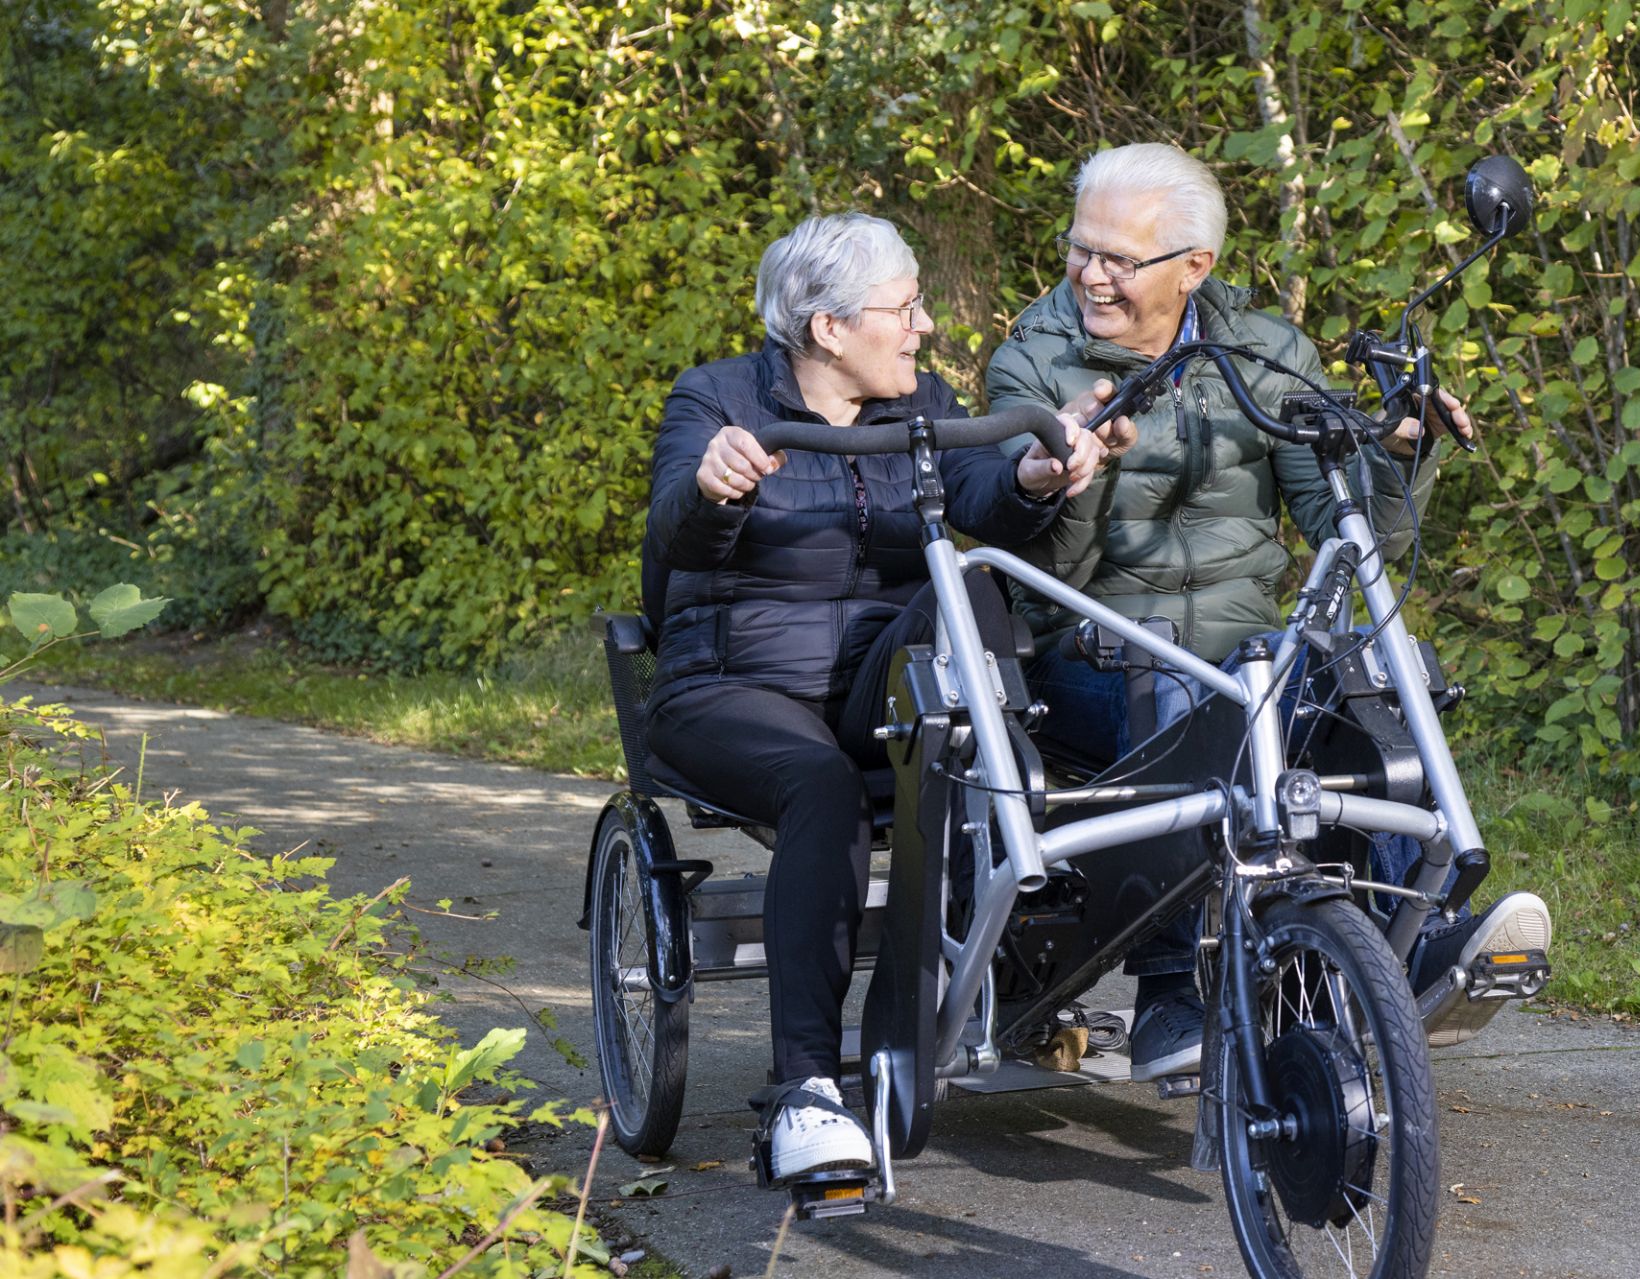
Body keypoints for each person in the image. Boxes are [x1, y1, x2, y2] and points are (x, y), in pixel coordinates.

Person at [985, 143, 1551, 1075]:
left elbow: (1347, 529)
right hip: (1086, 656)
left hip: (1243, 655)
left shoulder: (1266, 352)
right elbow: (1039, 560)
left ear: (1193, 267)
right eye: (1080, 248)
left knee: (1366, 664)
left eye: (1117, 258)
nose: (1089, 273)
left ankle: (1419, 937)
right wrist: (1075, 468)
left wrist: (1400, 455)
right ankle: (1170, 995)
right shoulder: (1033, 362)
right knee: (1180, 690)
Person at [643, 212, 1116, 1183]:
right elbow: (676, 528)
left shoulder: (923, 403)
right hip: (733, 688)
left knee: (972, 593)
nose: (924, 327)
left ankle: (986, 961)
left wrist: (1035, 474)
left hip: (873, 688)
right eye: (904, 309)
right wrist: (716, 483)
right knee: (821, 785)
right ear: (828, 328)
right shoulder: (717, 397)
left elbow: (984, 490)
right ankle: (805, 1092)